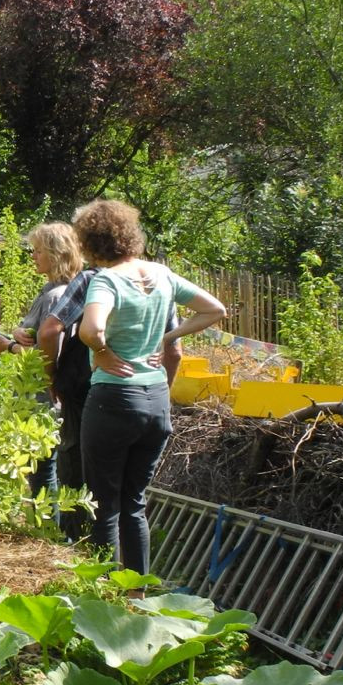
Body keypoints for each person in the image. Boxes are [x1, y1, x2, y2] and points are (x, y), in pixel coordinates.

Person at [65, 199, 225, 575]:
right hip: (156, 401)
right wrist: (171, 336)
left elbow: (90, 330)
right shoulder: (161, 274)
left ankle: (103, 593)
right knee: (134, 504)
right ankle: (135, 591)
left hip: (114, 400)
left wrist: (100, 352)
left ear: (90, 242)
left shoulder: (106, 279)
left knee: (103, 504)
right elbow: (214, 309)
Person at [0, 223, 85, 522]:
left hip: (46, 395)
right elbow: (36, 335)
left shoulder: (57, 297)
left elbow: (51, 353)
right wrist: (17, 333)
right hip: (38, 392)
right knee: (41, 468)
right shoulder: (53, 291)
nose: (33, 257)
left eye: (38, 251)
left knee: (43, 470)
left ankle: (47, 529)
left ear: (56, 254)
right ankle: (44, 527)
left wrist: (9, 346)